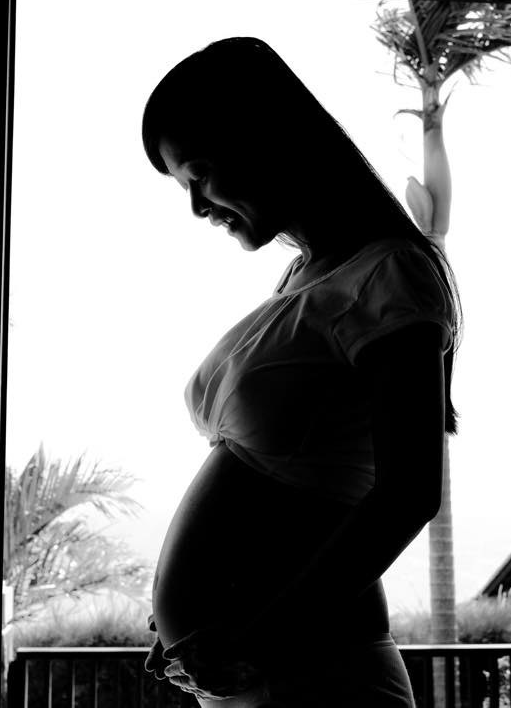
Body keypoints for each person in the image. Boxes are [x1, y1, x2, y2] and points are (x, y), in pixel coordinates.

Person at [139, 36, 462, 708]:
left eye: (200, 174)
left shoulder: (389, 273)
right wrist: (190, 623)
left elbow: (407, 494)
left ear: (265, 141)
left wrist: (256, 635)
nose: (197, 205)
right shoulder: (303, 277)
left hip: (320, 674)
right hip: (256, 670)